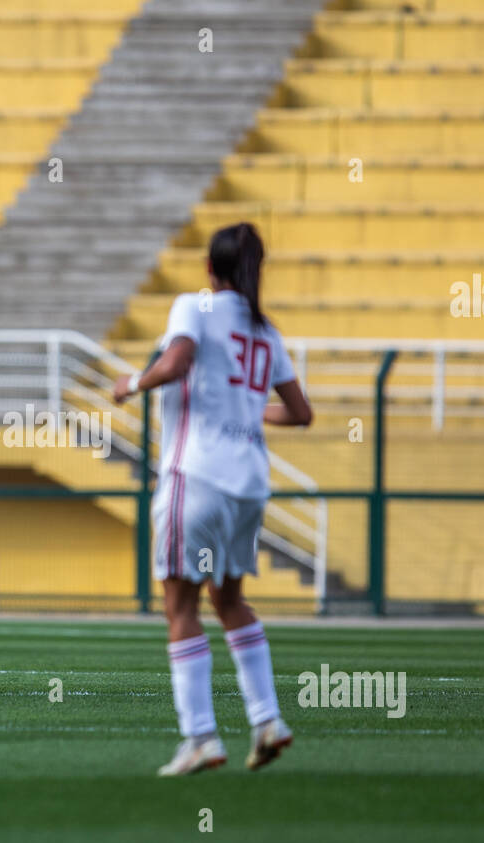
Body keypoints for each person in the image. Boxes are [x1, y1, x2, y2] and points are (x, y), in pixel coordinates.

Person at [113, 223, 313, 776]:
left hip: (194, 475)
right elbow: (300, 413)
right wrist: (247, 412)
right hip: (249, 481)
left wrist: (131, 383)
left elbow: (175, 363)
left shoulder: (193, 308)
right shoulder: (266, 331)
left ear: (209, 268)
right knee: (229, 601)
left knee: (180, 606)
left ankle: (200, 736)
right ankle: (268, 719)